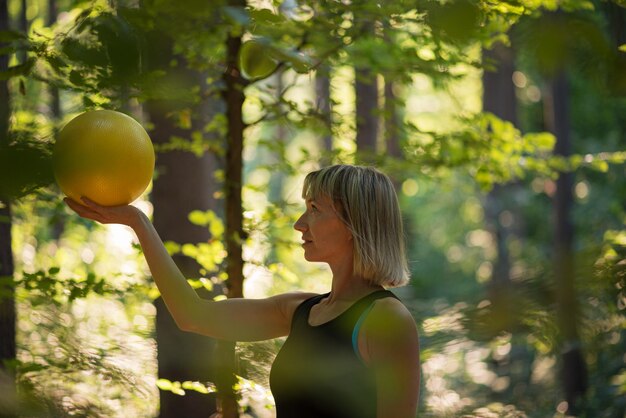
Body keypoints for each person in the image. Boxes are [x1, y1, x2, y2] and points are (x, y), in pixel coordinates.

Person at [65, 164, 420, 418]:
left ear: (354, 224)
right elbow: (193, 315)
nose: (300, 223)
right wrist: (136, 220)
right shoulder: (300, 310)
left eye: (314, 209)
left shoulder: (387, 320)